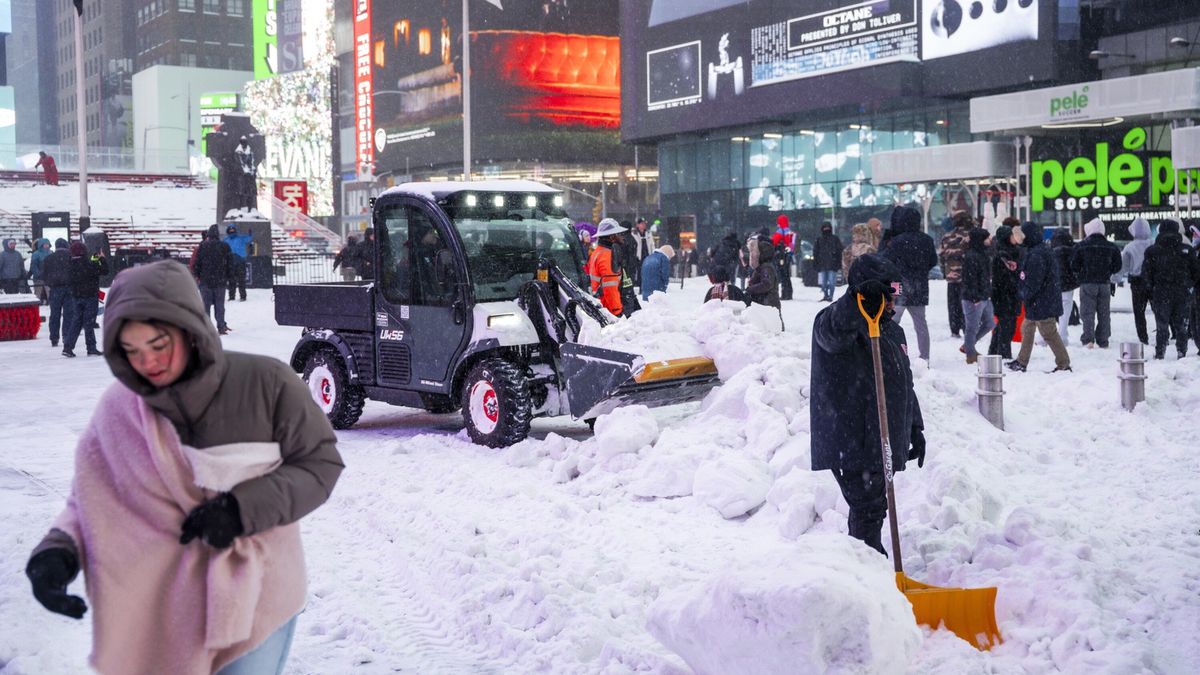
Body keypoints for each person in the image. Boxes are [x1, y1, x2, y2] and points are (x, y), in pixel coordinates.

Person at [25, 260, 343, 675]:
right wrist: (58, 552)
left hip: (259, 594)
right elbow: (91, 499)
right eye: (131, 351)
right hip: (161, 605)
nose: (148, 363)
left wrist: (240, 510)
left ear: (189, 328)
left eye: (158, 345)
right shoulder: (119, 410)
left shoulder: (267, 384)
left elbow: (320, 464)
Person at [810, 254, 925, 556]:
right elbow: (831, 334)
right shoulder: (836, 321)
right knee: (868, 507)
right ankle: (868, 564)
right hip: (851, 438)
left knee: (874, 506)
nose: (893, 304)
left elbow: (903, 383)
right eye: (887, 296)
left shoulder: (892, 330)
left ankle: (866, 568)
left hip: (877, 436)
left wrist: (915, 427)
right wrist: (855, 302)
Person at [1008, 222, 1071, 373]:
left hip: (1041, 301)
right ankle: (1022, 362)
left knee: (1048, 332)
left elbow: (1034, 281)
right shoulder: (1038, 250)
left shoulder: (1037, 254)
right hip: (1041, 300)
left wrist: (1023, 293)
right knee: (1027, 328)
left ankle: (1063, 364)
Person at [881, 205, 938, 363]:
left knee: (892, 320)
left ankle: (890, 352)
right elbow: (933, 261)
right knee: (920, 323)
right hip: (920, 285)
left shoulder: (897, 241)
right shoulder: (927, 239)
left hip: (898, 285)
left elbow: (886, 260)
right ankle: (924, 357)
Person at [1141, 219, 1198, 359]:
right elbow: (1196, 272)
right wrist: (1189, 285)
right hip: (1182, 292)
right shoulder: (1187, 250)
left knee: (1162, 324)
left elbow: (1146, 273)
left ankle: (1160, 351)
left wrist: (1151, 289)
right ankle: (1181, 351)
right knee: (1181, 325)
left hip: (1161, 292)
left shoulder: (1152, 251)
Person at [1070, 218, 1122, 349]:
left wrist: (1082, 273)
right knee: (1104, 312)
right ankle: (1103, 339)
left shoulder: (1081, 246)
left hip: (1087, 283)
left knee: (1088, 312)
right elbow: (1118, 266)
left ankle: (1088, 339)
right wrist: (1107, 271)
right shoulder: (1111, 247)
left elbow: (1074, 265)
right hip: (1105, 283)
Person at [61, 241, 108, 357]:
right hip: (90, 296)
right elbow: (105, 271)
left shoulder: (69, 265)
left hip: (76, 297)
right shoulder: (89, 264)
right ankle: (91, 347)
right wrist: (101, 258)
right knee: (89, 323)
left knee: (76, 322)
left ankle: (68, 347)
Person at [988, 222, 1023, 359]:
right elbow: (1005, 277)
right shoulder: (1003, 255)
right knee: (1007, 326)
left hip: (1007, 295)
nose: (1014, 238)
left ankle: (994, 351)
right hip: (1005, 296)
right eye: (1011, 235)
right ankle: (1003, 353)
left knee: (1004, 326)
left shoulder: (1009, 251)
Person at [960, 229, 996, 364]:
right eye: (987, 238)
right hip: (974, 298)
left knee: (989, 323)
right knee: (972, 327)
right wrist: (975, 296)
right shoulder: (972, 256)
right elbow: (970, 279)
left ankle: (968, 346)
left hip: (984, 295)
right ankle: (970, 354)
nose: (989, 241)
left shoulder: (983, 254)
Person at [193, 224, 233, 335]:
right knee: (219, 306)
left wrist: (198, 276)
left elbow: (197, 263)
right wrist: (229, 277)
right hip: (220, 280)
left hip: (206, 280)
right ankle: (221, 326)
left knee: (206, 306)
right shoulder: (225, 246)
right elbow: (230, 263)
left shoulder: (203, 246)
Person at [939, 211, 973, 338]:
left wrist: (945, 272)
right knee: (966, 303)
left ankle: (954, 329)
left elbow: (942, 257)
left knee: (953, 303)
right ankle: (966, 327)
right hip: (966, 276)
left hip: (951, 276)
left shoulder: (946, 237)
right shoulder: (970, 237)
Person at [1121, 217, 1154, 345]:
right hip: (1152, 280)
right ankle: (1163, 333)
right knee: (1158, 310)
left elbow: (1124, 266)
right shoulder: (1153, 243)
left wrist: (1114, 279)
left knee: (1139, 312)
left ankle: (1143, 337)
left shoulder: (1129, 247)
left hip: (1137, 282)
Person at [588, 218, 626, 317]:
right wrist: (617, 311)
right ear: (611, 237)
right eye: (618, 233)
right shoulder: (608, 256)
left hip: (601, 304)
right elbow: (610, 287)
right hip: (609, 309)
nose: (621, 236)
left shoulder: (597, 252)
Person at [42, 239, 76, 348]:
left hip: (55, 289)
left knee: (54, 314)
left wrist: (50, 283)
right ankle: (66, 336)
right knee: (68, 314)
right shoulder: (71, 257)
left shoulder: (48, 258)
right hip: (69, 288)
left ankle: (54, 338)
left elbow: (44, 275)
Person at [1051, 228, 1080, 343]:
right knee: (1065, 312)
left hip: (1054, 284)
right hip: (1068, 285)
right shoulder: (1073, 250)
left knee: (1051, 312)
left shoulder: (1051, 250)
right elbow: (1076, 267)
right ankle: (1063, 335)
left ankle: (1049, 335)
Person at [745, 237, 781, 309]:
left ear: (762, 253)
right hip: (765, 303)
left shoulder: (766, 267)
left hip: (768, 304)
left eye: (757, 252)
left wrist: (751, 289)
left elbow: (766, 284)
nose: (754, 254)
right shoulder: (762, 267)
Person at [812, 221, 843, 302]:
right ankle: (826, 295)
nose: (826, 229)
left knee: (830, 281)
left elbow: (839, 251)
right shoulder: (820, 239)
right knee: (825, 282)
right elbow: (815, 252)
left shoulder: (834, 239)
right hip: (826, 264)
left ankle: (830, 296)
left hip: (831, 264)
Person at [223, 225, 254, 301]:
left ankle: (242, 296)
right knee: (231, 281)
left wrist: (250, 234)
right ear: (228, 231)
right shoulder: (225, 240)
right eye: (230, 230)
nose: (231, 231)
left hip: (240, 262)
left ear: (235, 230)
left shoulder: (241, 238)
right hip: (231, 262)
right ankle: (232, 296)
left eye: (233, 230)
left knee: (241, 280)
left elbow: (249, 239)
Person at [771, 215, 797, 301]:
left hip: (782, 256)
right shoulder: (789, 231)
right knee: (787, 275)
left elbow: (774, 241)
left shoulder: (780, 231)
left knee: (782, 275)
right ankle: (789, 293)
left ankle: (784, 293)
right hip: (788, 255)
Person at [629, 218, 656, 288]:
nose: (644, 225)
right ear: (637, 225)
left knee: (646, 272)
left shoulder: (648, 233)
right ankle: (639, 285)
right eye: (642, 223)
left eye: (644, 223)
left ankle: (645, 286)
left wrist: (653, 254)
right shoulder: (634, 234)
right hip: (638, 256)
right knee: (639, 272)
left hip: (647, 255)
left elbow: (652, 245)